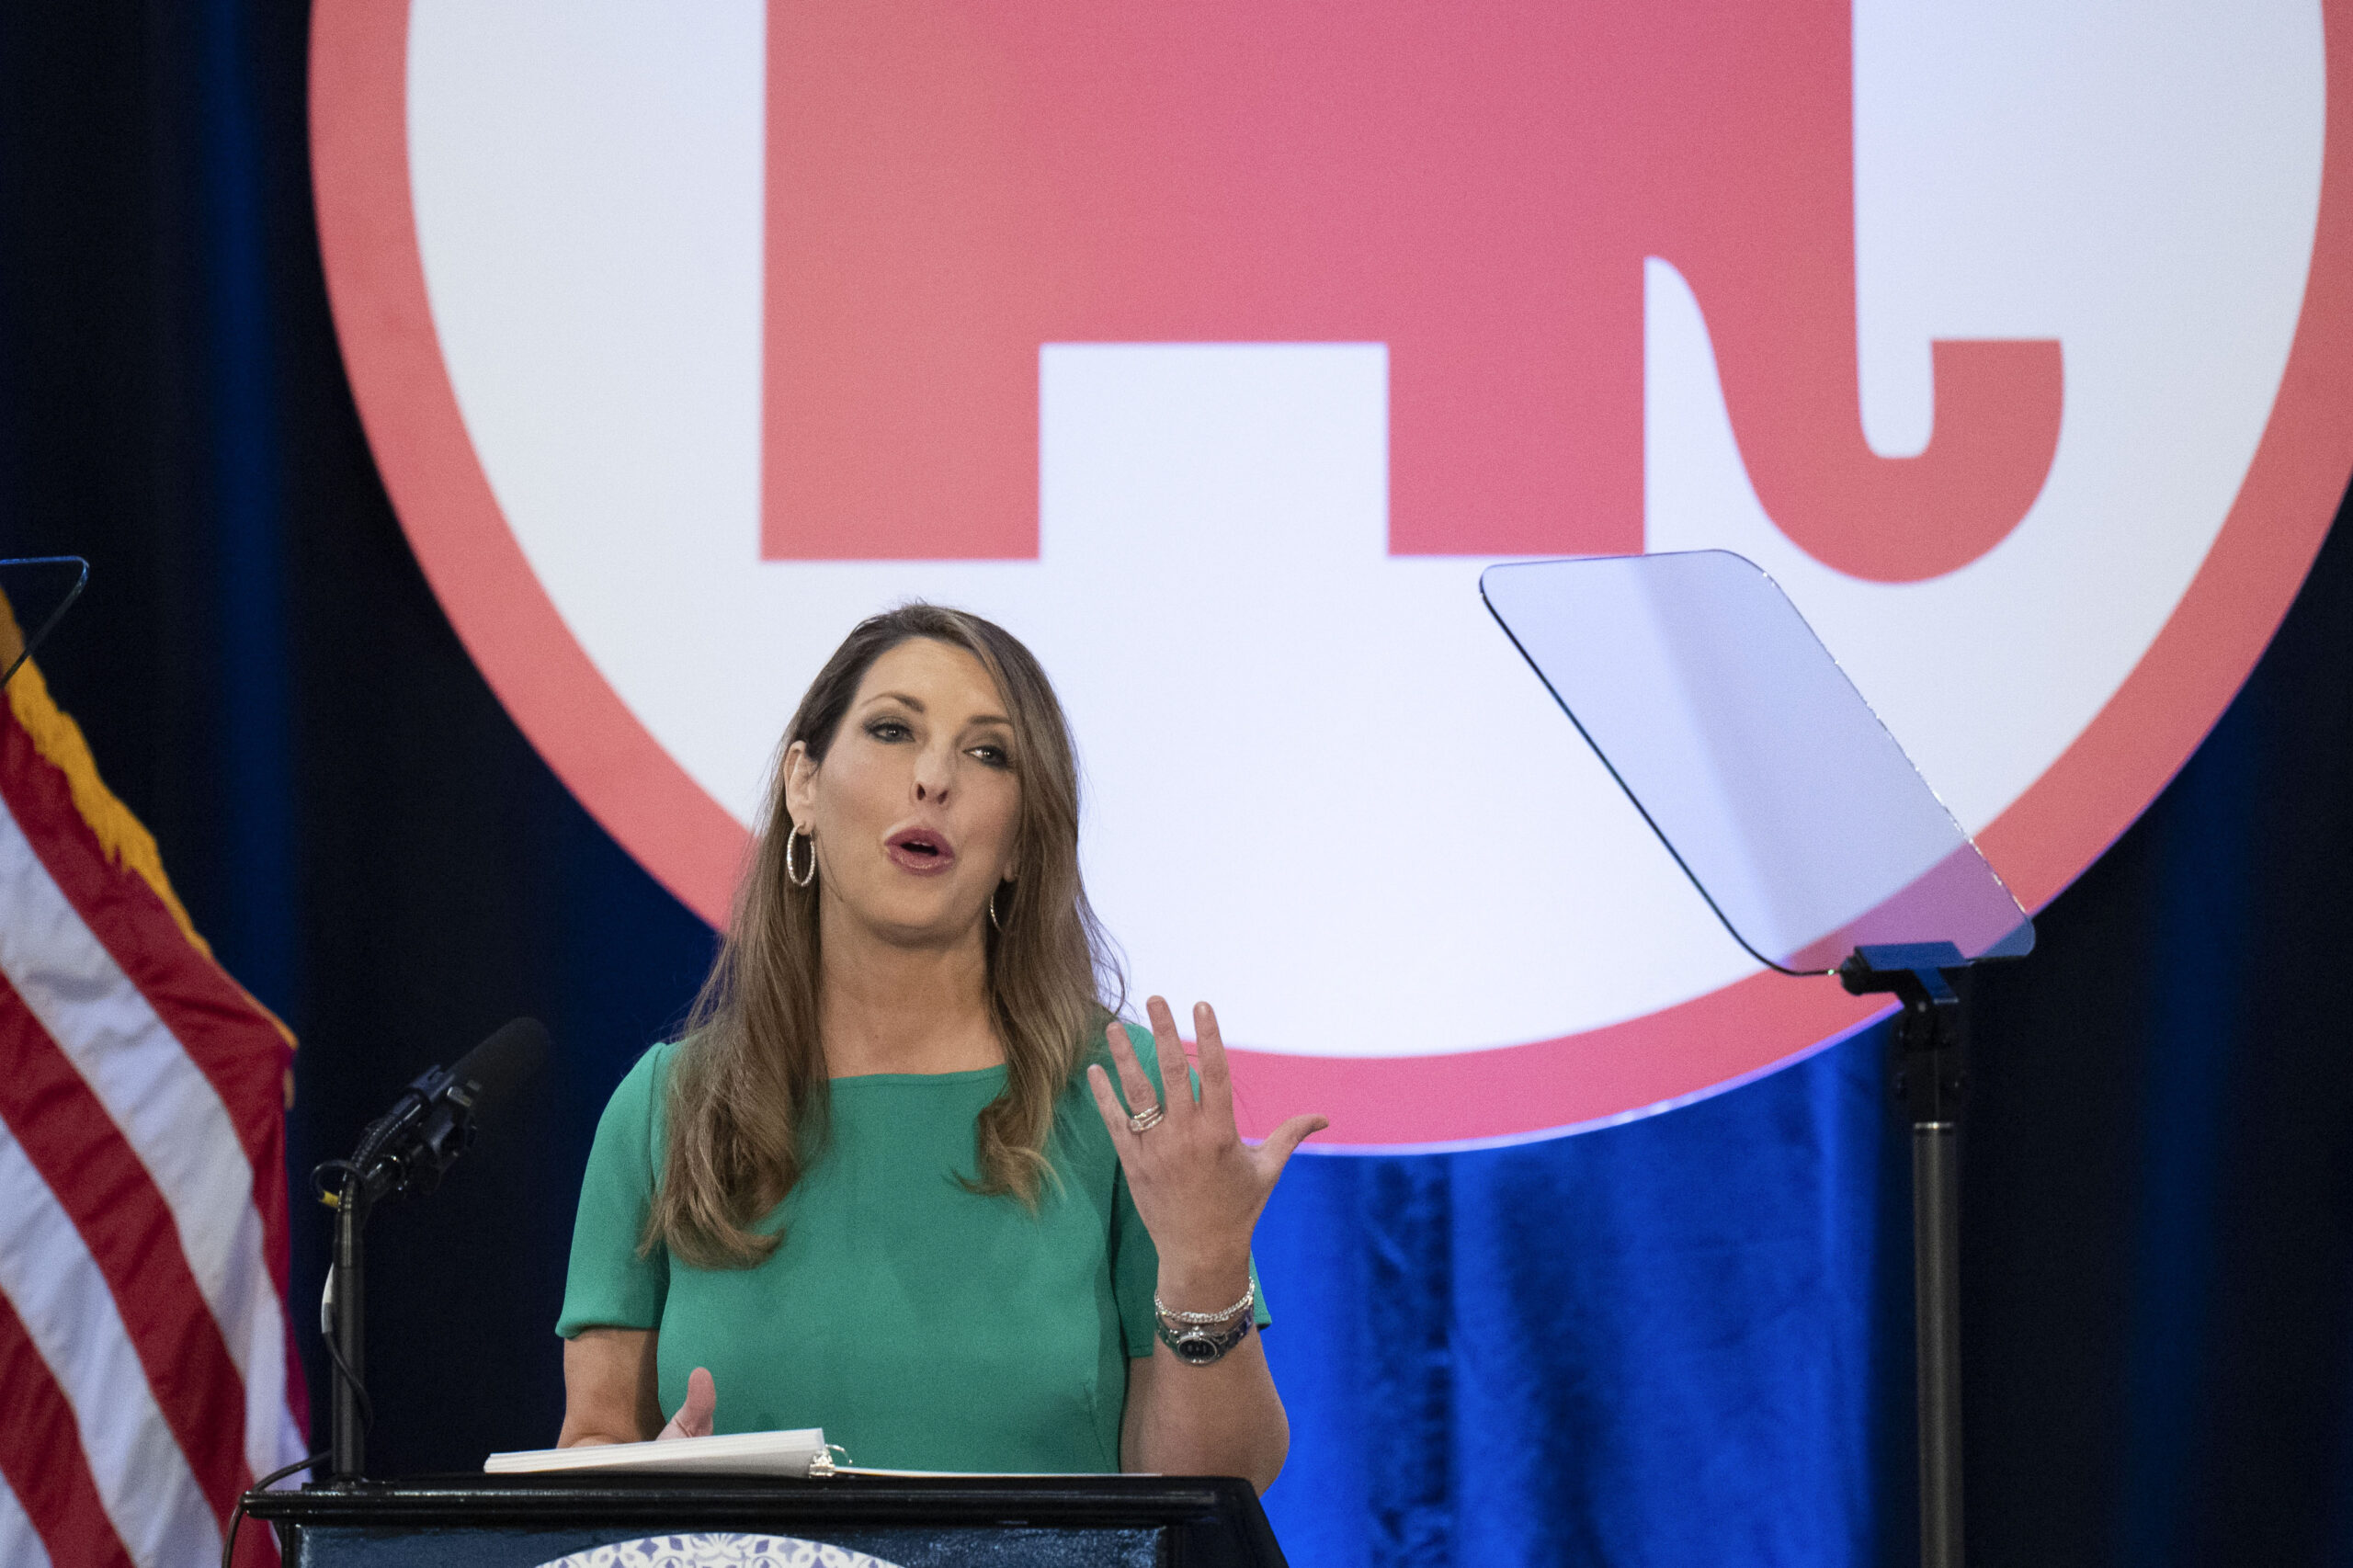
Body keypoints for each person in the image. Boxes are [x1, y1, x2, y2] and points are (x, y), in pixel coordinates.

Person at [555, 604, 1326, 1491]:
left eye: (988, 753)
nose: (934, 779)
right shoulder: (668, 1104)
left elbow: (1213, 1489)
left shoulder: (1124, 1095)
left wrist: (1206, 1271)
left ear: (1019, 842)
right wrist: (645, 1493)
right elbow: (592, 1445)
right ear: (803, 786)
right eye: (892, 731)